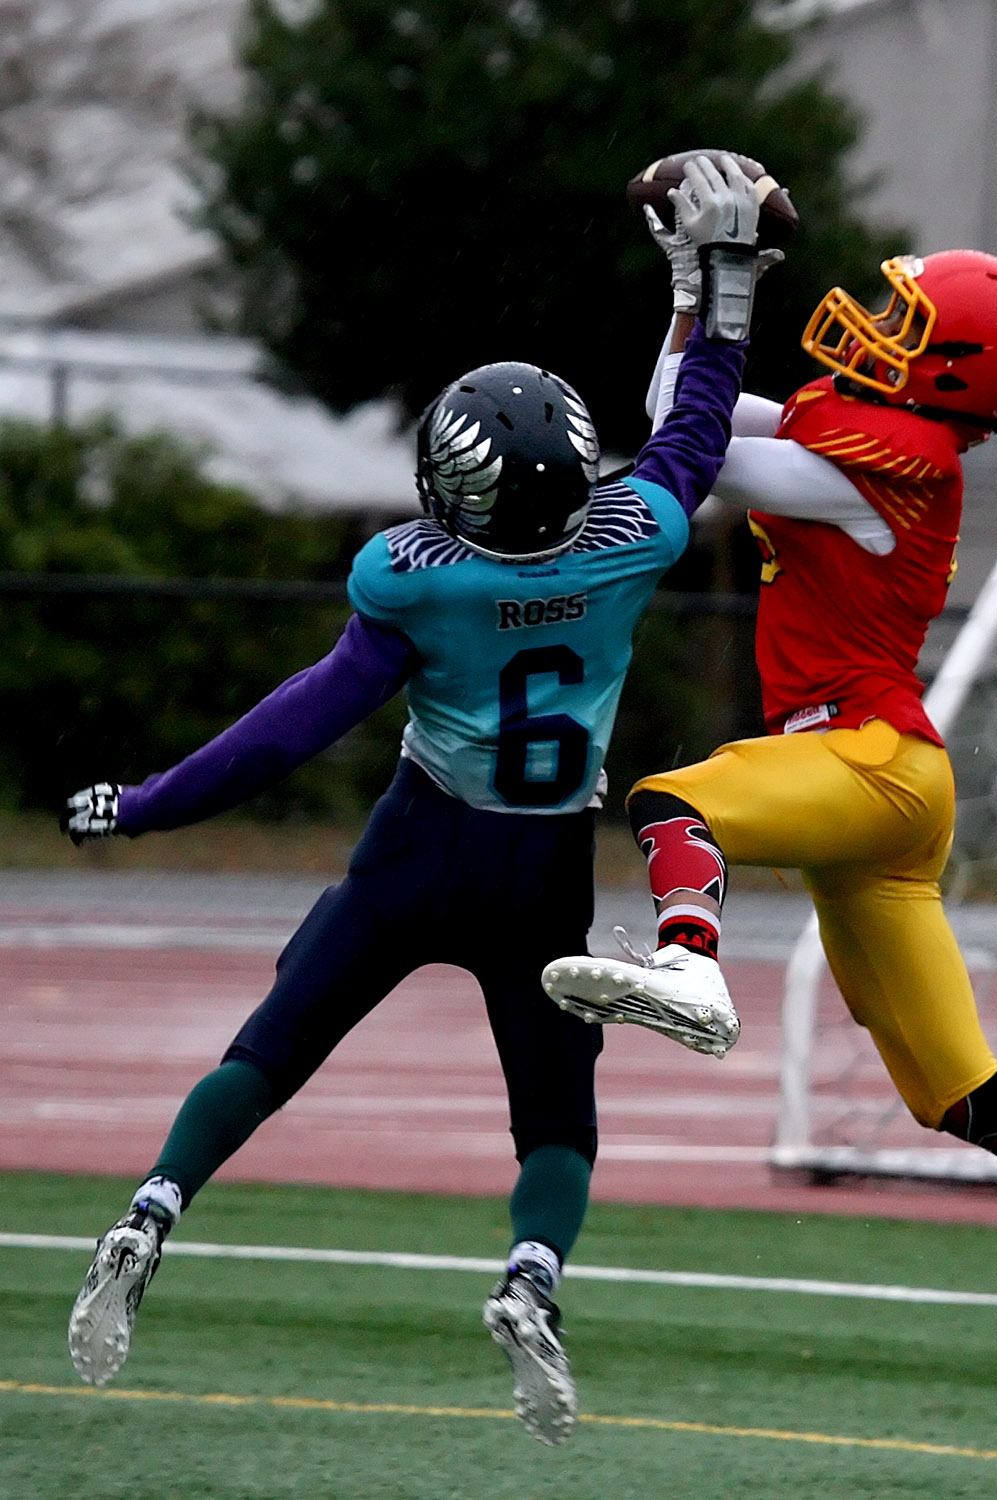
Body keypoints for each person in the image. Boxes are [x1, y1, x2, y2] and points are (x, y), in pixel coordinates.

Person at [60, 153, 768, 1447]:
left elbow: (294, 725)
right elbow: (696, 430)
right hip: (543, 866)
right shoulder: (638, 538)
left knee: (271, 1047)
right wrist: (715, 290)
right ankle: (528, 1279)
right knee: (555, 1119)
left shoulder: (413, 578)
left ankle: (157, 1203)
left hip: (418, 845)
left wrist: (148, 805)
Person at [544, 239, 997, 1411]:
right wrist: (694, 293)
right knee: (956, 1090)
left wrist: (724, 295)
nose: (879, 324)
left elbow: (701, 454)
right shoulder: (874, 433)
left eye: (907, 319)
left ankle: (688, 965)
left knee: (675, 799)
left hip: (864, 759)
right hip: (887, 789)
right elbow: (678, 415)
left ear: (950, 371)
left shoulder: (888, 463)